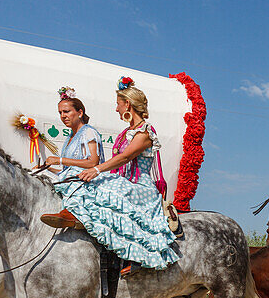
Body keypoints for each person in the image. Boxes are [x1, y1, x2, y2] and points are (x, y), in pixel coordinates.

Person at [42, 76, 180, 276]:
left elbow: (125, 157)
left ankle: (137, 255)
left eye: (118, 104)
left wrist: (96, 169)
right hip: (124, 180)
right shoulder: (127, 132)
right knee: (84, 181)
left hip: (139, 186)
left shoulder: (145, 132)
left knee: (102, 190)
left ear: (128, 104)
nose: (116, 109)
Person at [40, 87, 101, 174]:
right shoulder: (70, 136)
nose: (63, 116)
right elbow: (68, 172)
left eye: (66, 111)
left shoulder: (88, 132)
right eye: (60, 113)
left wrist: (61, 160)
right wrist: (47, 170)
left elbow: (93, 163)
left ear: (80, 113)